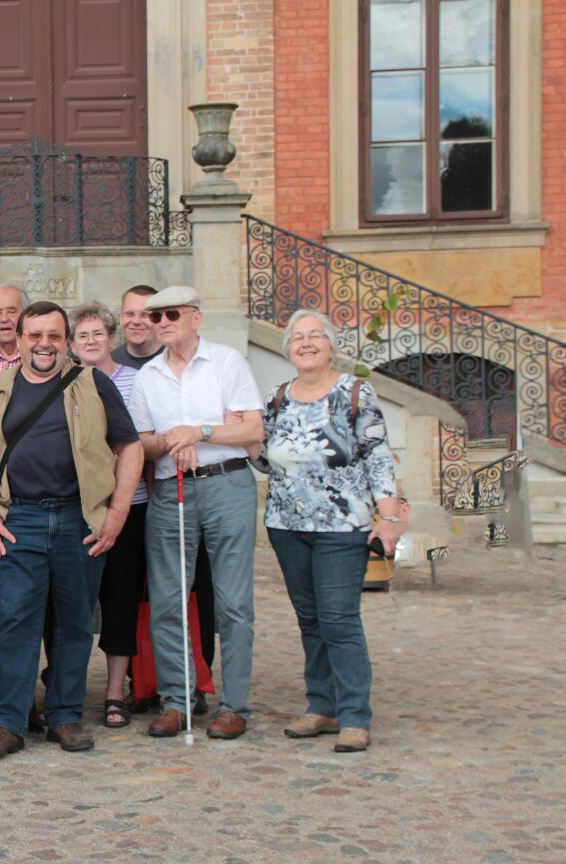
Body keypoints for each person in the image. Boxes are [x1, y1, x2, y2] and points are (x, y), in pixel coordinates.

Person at [0, 301, 143, 760]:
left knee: (75, 623)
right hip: (17, 519)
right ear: (19, 339)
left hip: (77, 520)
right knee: (19, 622)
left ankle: (64, 715)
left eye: (54, 336)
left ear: (66, 341)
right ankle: (8, 723)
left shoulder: (93, 383)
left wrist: (117, 512)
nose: (44, 344)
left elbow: (130, 447)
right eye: (35, 335)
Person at [262, 310, 405, 753]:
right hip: (286, 524)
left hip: (343, 525)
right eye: (297, 337)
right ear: (287, 348)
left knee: (339, 619)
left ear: (330, 345)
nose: (305, 343)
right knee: (310, 620)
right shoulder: (278, 396)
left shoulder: (356, 392)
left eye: (315, 337)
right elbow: (265, 457)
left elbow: (376, 455)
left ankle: (355, 715)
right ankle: (321, 705)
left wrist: (390, 517)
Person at [128, 285, 264, 741]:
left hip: (227, 483)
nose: (161, 322)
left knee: (233, 602)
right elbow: (141, 441)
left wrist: (201, 431)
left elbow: (253, 431)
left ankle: (234, 705)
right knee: (168, 600)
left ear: (194, 318)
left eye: (169, 314)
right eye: (154, 317)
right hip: (172, 489)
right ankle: (176, 700)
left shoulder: (228, 362)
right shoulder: (148, 376)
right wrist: (169, 441)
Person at [69, 302, 149, 729]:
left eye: (98, 334)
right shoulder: (64, 382)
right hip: (79, 509)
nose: (91, 342)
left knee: (120, 602)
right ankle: (69, 687)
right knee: (74, 605)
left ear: (111, 339)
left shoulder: (138, 381)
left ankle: (115, 691)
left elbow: (140, 442)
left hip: (128, 507)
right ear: (72, 344)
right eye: (83, 336)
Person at [110, 284, 163, 370]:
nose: (136, 321)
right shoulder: (110, 362)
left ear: (159, 319)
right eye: (130, 314)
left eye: (145, 315)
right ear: (121, 318)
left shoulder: (175, 360)